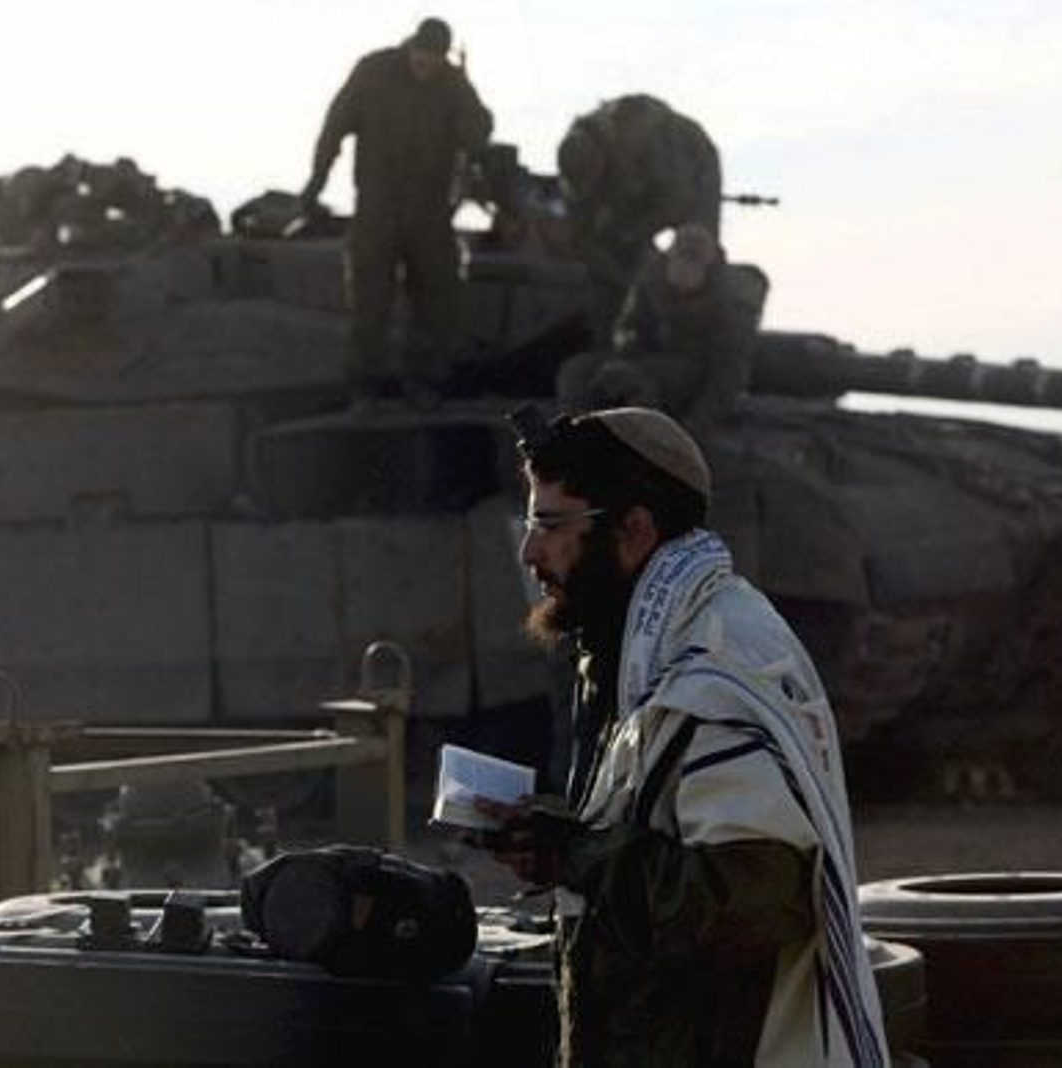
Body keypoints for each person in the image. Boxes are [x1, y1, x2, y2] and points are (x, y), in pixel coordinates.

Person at [481, 406, 888, 1066]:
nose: (529, 552)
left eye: (552, 526)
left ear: (634, 529)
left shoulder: (715, 667)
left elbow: (752, 900)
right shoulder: (641, 648)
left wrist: (579, 856)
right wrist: (561, 847)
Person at [298, 16, 493, 402]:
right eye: (421, 54)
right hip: (377, 204)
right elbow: (334, 127)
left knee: (436, 294)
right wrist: (315, 185)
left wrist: (465, 96)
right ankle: (366, 387)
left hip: (430, 209)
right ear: (411, 46)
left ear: (443, 57)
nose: (425, 64)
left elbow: (479, 136)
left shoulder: (453, 85)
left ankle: (424, 382)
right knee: (369, 297)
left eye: (434, 58)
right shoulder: (374, 72)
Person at [556, 223, 767, 434]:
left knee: (637, 383)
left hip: (695, 374)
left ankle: (646, 441)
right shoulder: (652, 282)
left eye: (692, 260)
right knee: (577, 370)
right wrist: (622, 355)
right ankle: (578, 434)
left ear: (708, 267)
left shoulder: (733, 305)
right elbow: (629, 328)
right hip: (647, 360)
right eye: (679, 257)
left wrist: (693, 430)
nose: (684, 267)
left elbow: (728, 376)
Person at [556, 94, 722, 345]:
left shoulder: (645, 139)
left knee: (695, 249)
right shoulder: (576, 163)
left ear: (600, 158)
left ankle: (698, 341)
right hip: (638, 188)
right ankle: (615, 335)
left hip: (693, 173)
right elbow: (582, 235)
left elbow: (675, 203)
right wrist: (614, 273)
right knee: (610, 258)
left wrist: (632, 233)